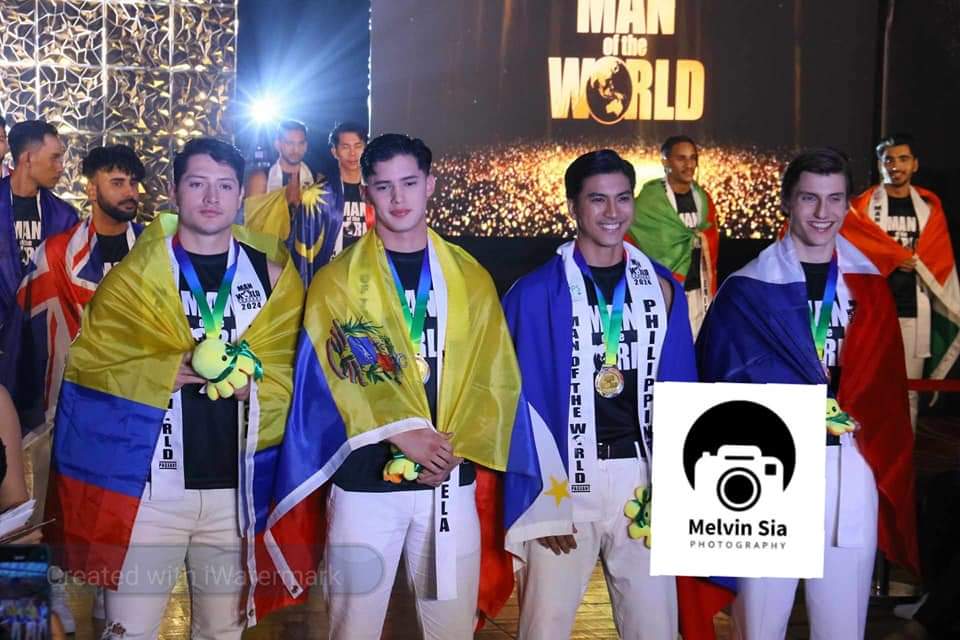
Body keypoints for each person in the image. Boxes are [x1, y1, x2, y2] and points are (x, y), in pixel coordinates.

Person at [258, 133, 548, 639]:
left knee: (451, 632)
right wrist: (400, 432)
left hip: (447, 480)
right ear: (366, 192)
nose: (398, 198)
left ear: (430, 185)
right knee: (354, 631)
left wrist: (456, 446)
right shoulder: (338, 281)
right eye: (384, 186)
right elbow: (334, 379)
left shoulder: (470, 277)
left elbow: (492, 377)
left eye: (410, 183)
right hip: (365, 486)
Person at [46, 138, 304, 639]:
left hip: (237, 496)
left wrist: (256, 387)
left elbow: (300, 375)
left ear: (239, 196)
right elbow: (90, 366)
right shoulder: (136, 276)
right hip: (151, 493)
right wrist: (160, 370)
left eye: (224, 186)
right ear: (174, 190)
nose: (211, 197)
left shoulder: (273, 277)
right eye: (197, 183)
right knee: (127, 632)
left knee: (221, 634)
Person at [697, 148, 919, 639]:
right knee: (760, 626)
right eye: (809, 198)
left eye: (835, 199)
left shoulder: (869, 287)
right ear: (786, 202)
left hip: (850, 467)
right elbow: (716, 387)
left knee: (843, 627)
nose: (823, 212)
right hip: (769, 468)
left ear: (848, 204)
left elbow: (884, 391)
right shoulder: (746, 289)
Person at [501, 149, 696, 639]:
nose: (613, 212)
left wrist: (678, 486)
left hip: (641, 479)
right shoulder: (533, 293)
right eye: (597, 200)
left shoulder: (663, 288)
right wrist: (538, 499)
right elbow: (511, 403)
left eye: (623, 198)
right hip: (562, 480)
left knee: (655, 630)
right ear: (573, 207)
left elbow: (682, 388)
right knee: (543, 629)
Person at [841, 134, 960, 430]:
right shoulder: (860, 209)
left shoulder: (929, 210)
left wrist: (908, 259)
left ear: (915, 164)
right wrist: (891, 258)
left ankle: (903, 452)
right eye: (889, 160)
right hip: (871, 313)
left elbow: (938, 260)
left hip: (913, 312)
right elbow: (850, 252)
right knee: (867, 386)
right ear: (880, 165)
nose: (896, 166)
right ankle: (867, 452)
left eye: (903, 159)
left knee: (908, 390)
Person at [0, 121, 77, 415]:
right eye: (54, 157)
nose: (61, 167)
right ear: (28, 158)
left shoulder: (65, 216)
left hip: (44, 350)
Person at [628, 135, 719, 336]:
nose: (689, 165)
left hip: (699, 291)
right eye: (681, 158)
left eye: (693, 158)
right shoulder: (649, 201)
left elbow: (711, 238)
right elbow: (632, 239)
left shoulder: (704, 199)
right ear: (665, 162)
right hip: (660, 291)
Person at [328, 121, 373, 251]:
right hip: (333, 262)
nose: (352, 153)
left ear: (366, 149)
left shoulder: (377, 191)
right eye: (345, 147)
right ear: (334, 152)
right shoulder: (322, 195)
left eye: (358, 146)